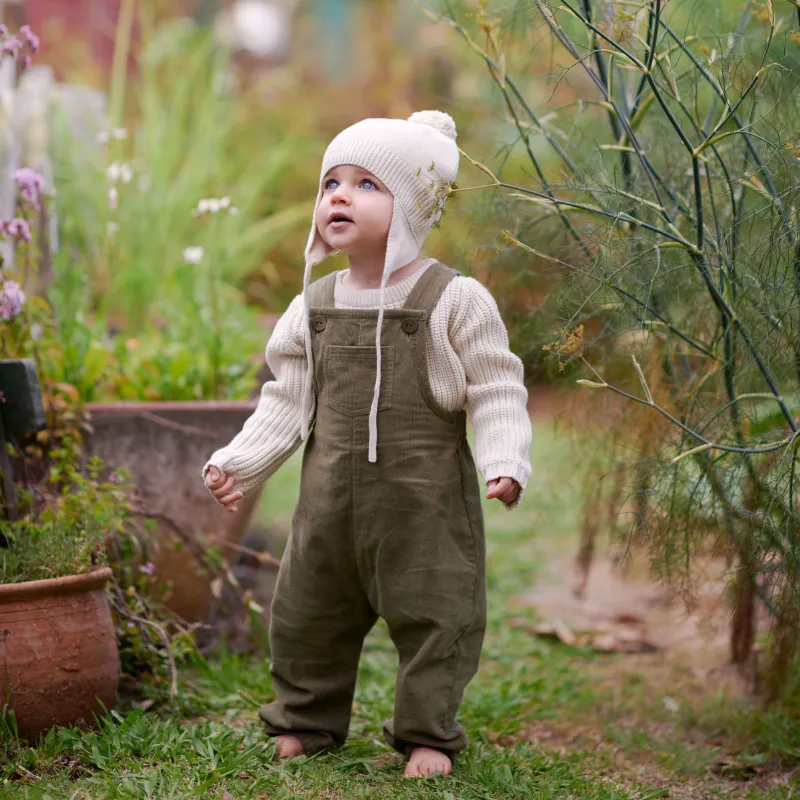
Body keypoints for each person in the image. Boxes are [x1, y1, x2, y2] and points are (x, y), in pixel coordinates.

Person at [203, 110, 532, 778]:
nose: (339, 197)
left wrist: (505, 459)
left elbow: (496, 387)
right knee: (305, 613)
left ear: (411, 206)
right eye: (330, 184)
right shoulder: (314, 305)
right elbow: (287, 397)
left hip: (424, 505)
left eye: (365, 184)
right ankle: (305, 721)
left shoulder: (455, 299)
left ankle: (427, 735)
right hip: (328, 506)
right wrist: (242, 459)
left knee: (437, 613)